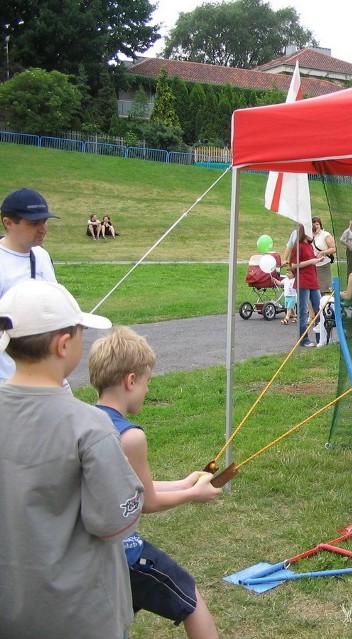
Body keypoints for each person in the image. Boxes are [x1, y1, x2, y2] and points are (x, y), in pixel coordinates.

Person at [0, 280, 143, 639]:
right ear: (64, 344)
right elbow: (114, 519)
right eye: (80, 334)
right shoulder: (89, 425)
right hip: (78, 614)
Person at [89, 326, 222, 639]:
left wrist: (185, 482)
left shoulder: (88, 420)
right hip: (125, 553)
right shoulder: (130, 436)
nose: (148, 390)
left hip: (96, 549)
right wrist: (193, 496)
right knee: (191, 600)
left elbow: (133, 487)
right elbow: (146, 502)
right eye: (147, 381)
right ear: (131, 380)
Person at [0, 188, 60, 383]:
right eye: (34, 223)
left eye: (44, 221)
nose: (43, 229)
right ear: (8, 223)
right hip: (7, 379)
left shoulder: (42, 256)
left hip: (44, 373)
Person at [290, 224, 323, 347]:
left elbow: (310, 260)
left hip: (313, 281)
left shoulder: (310, 246)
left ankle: (321, 337)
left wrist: (317, 258)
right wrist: (311, 261)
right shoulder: (299, 246)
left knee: (319, 308)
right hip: (303, 281)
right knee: (303, 311)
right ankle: (303, 339)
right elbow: (294, 265)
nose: (313, 235)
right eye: (312, 232)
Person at [311, 216, 337, 292]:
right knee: (313, 289)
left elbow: (333, 248)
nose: (316, 226)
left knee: (323, 289)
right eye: (313, 224)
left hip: (323, 265)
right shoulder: (309, 235)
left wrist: (323, 252)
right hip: (312, 265)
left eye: (317, 224)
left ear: (320, 225)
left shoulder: (325, 235)